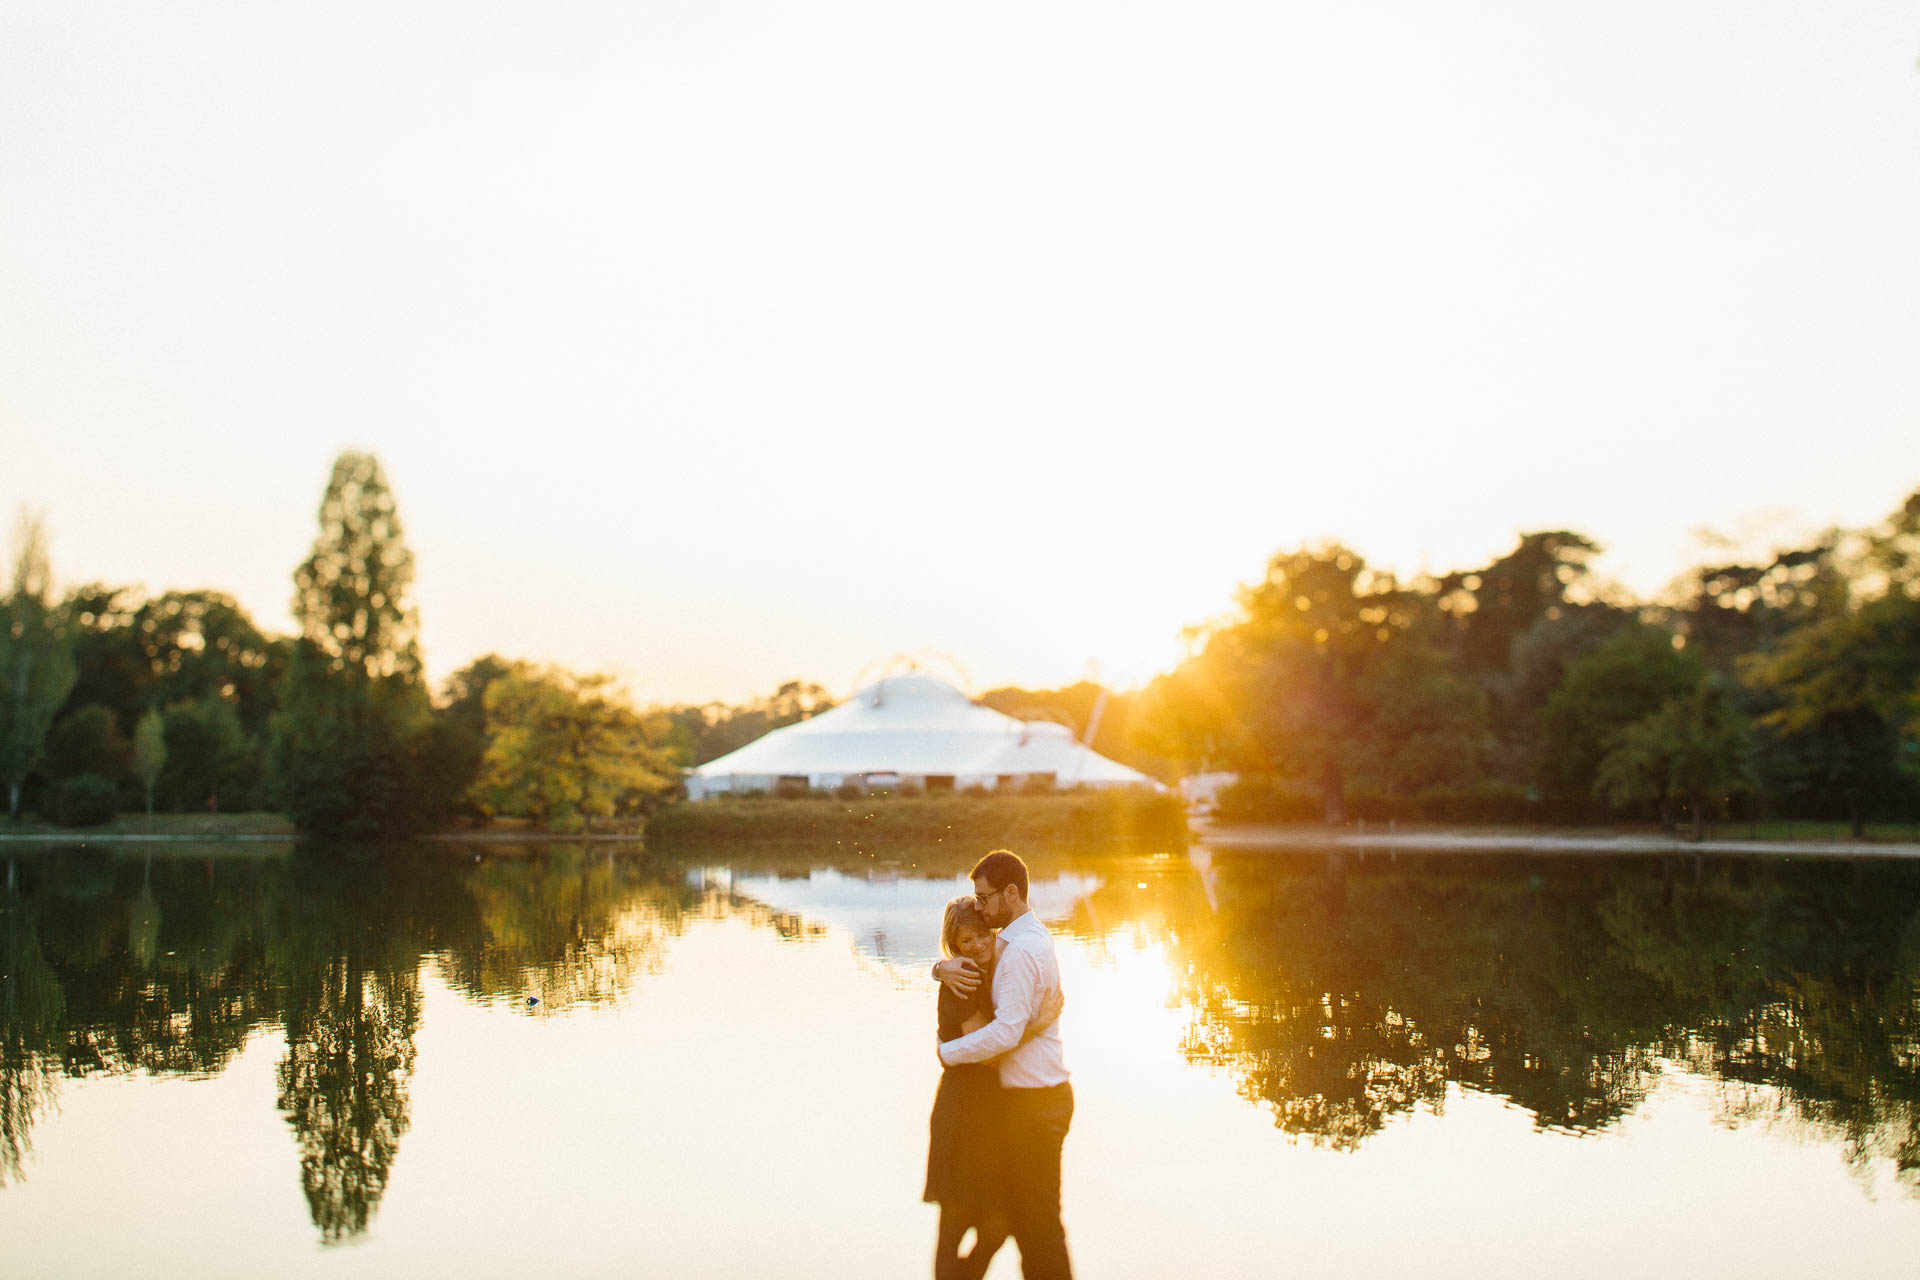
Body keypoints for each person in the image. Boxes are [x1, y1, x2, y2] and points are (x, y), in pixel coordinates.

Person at [933, 850, 1074, 1280]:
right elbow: (969, 972)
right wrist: (939, 968)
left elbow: (1005, 1035)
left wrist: (945, 1052)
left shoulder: (1015, 951)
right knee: (1021, 1222)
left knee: (1034, 1225)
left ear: (1010, 893)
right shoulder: (1021, 941)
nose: (979, 905)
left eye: (985, 896)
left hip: (1032, 1103)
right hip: (1003, 1103)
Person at [924, 896, 1010, 1280]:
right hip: (963, 1108)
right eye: (965, 942)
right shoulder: (967, 977)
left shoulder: (985, 969)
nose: (976, 947)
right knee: (956, 1222)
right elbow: (984, 1051)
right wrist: (1039, 1023)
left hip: (987, 1107)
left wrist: (937, 969)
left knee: (998, 1218)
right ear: (954, 946)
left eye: (981, 936)